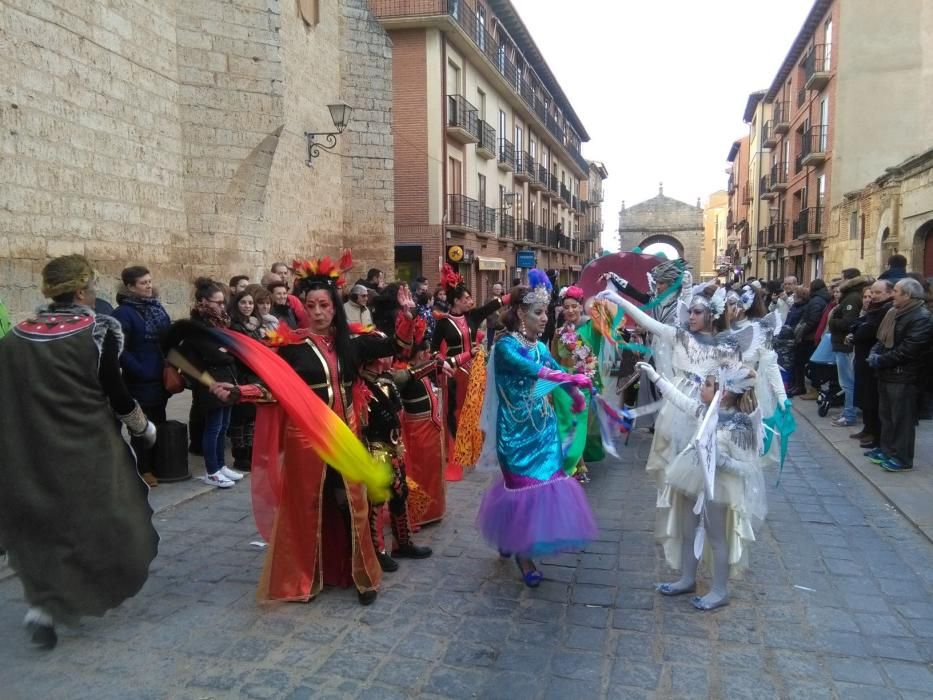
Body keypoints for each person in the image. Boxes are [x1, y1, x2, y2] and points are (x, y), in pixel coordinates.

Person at [0, 254, 159, 649]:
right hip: (87, 447)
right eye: (90, 287)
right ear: (80, 290)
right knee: (107, 520)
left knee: (45, 521)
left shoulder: (17, 335)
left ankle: (42, 606)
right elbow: (116, 392)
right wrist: (143, 427)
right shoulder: (98, 330)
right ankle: (77, 592)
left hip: (31, 448)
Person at [249, 258, 416, 605]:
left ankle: (361, 576)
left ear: (335, 307)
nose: (317, 312)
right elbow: (272, 390)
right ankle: (303, 576)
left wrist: (407, 315)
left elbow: (399, 349)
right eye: (310, 306)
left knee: (352, 504)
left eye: (324, 305)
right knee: (306, 507)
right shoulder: (291, 347)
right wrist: (236, 392)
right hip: (306, 441)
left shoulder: (352, 343)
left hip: (346, 437)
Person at [475, 274, 597, 586]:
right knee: (519, 490)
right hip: (514, 433)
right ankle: (523, 555)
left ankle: (513, 538)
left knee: (542, 488)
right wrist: (571, 381)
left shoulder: (540, 346)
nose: (545, 319)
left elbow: (553, 370)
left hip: (542, 429)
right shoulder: (504, 347)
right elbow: (534, 371)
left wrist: (575, 396)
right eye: (538, 313)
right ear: (520, 314)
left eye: (545, 313)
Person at [637, 360, 766, 611]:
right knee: (688, 529)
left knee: (717, 537)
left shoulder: (740, 424)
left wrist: (722, 460)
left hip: (719, 487)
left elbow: (748, 467)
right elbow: (679, 399)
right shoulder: (705, 410)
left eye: (707, 385)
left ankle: (720, 590)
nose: (700, 388)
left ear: (724, 391)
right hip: (693, 477)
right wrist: (655, 377)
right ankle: (687, 578)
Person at [597, 283, 740, 491]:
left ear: (712, 314)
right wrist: (620, 301)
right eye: (690, 311)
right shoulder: (679, 336)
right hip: (676, 403)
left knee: (701, 460)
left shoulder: (725, 346)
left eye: (697, 312)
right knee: (671, 460)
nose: (691, 316)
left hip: (704, 405)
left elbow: (736, 382)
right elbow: (648, 322)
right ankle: (673, 505)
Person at [432, 264, 508, 481]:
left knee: (478, 409)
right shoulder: (443, 323)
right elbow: (434, 351)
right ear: (456, 301)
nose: (470, 302)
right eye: (466, 299)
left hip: (475, 371)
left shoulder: (473, 317)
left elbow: (492, 305)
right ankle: (458, 451)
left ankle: (475, 449)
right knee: (456, 411)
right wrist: (448, 362)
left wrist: (513, 296)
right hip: (455, 372)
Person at [169, 278, 244, 488]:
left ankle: (220, 465)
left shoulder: (218, 322)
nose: (222, 306)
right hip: (209, 382)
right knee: (213, 427)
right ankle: (212, 470)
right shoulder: (196, 326)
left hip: (226, 379)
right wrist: (228, 352)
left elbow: (230, 351)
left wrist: (227, 352)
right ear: (203, 301)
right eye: (217, 302)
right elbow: (215, 355)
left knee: (223, 426)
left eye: (223, 302)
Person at [112, 265, 173, 487]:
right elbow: (117, 348)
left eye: (149, 281)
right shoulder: (123, 313)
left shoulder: (155, 306)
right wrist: (140, 368)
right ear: (130, 287)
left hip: (160, 376)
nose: (149, 286)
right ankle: (143, 469)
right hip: (139, 380)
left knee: (158, 420)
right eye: (143, 283)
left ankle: (158, 464)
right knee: (141, 426)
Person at [866, 278, 932, 472]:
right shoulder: (894, 313)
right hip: (887, 373)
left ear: (908, 295)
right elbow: (881, 339)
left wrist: (881, 360)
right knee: (886, 416)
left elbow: (908, 350)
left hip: (905, 376)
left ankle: (902, 458)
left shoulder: (921, 317)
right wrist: (874, 354)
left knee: (901, 419)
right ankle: (887, 450)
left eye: (895, 291)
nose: (892, 294)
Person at [550, 285, 604, 482]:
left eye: (574, 306)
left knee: (580, 424)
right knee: (566, 423)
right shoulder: (559, 332)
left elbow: (610, 322)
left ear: (581, 306)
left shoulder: (592, 326)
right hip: (563, 385)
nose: (570, 310)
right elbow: (554, 359)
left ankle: (575, 462)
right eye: (566, 307)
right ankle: (576, 465)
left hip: (585, 383)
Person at [848, 280, 892, 449]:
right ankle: (868, 428)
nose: (872, 297)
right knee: (865, 395)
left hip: (872, 359)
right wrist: (855, 331)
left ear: (889, 293)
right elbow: (857, 324)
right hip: (862, 357)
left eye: (877, 293)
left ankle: (874, 433)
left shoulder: (884, 310)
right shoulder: (874, 309)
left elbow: (867, 330)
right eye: (869, 294)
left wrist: (856, 333)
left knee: (871, 397)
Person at [826, 270, 870, 426]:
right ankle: (847, 411)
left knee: (847, 382)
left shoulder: (852, 298)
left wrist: (832, 322)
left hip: (845, 346)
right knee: (846, 381)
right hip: (841, 344)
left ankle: (849, 414)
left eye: (843, 278)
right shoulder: (850, 296)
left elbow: (848, 322)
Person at [227, 289, 263, 471]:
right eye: (243, 303)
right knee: (240, 418)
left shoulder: (256, 325)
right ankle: (240, 455)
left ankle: (251, 451)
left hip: (256, 375)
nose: (247, 306)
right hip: (241, 375)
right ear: (236, 305)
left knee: (252, 417)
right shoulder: (233, 326)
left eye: (250, 303)